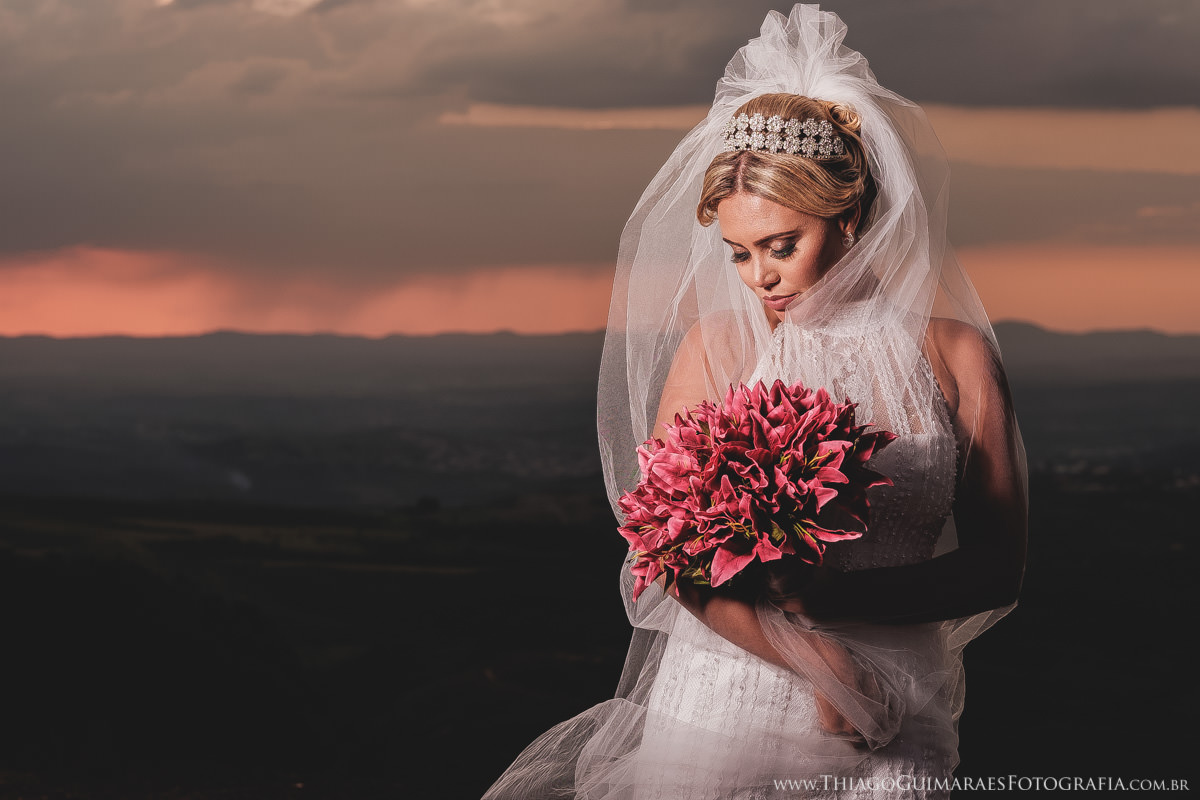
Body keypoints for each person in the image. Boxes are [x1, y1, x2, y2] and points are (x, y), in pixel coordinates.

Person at [483, 5, 1027, 798]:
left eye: (782, 245)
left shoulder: (957, 355)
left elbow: (996, 570)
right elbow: (666, 550)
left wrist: (841, 605)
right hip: (730, 697)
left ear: (851, 218)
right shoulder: (721, 348)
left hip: (895, 706)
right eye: (738, 253)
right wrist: (822, 661)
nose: (759, 277)